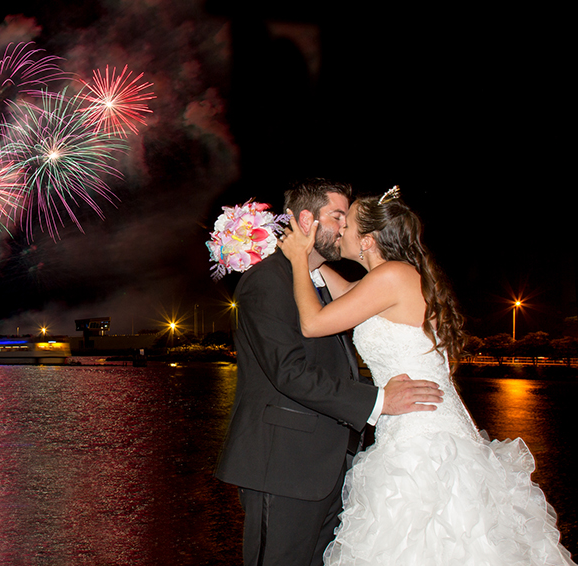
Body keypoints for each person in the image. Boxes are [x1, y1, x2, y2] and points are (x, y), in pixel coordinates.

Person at [278, 187, 576, 565]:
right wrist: (313, 262)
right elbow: (349, 292)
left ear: (367, 240)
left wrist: (298, 258)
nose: (339, 231)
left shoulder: (392, 277)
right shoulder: (391, 278)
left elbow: (313, 322)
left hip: (423, 441)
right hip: (419, 426)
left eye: (346, 224)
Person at [214, 179, 445, 566]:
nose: (344, 227)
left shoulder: (318, 282)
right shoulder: (268, 281)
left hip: (329, 469)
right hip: (284, 467)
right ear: (307, 220)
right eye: (338, 216)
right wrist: (379, 400)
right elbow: (289, 372)